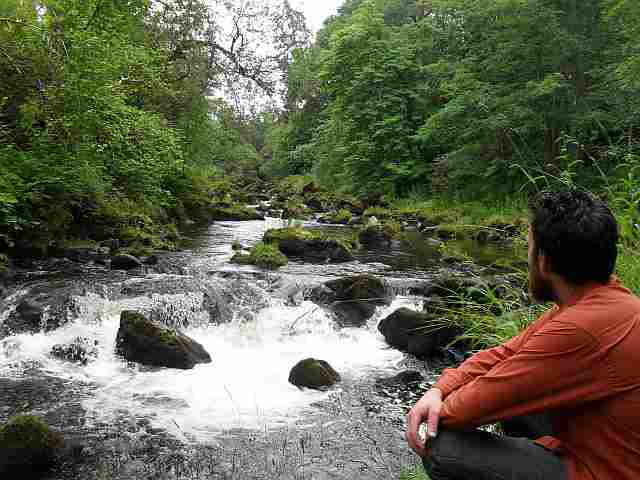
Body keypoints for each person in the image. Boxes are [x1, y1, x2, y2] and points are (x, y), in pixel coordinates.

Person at [405, 189, 640, 480]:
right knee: (513, 396)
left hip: (606, 471)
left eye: (528, 248)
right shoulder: (600, 300)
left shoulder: (578, 328)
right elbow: (505, 353)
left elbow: (460, 412)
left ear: (543, 261)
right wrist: (439, 389)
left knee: (443, 446)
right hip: (599, 447)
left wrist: (437, 405)